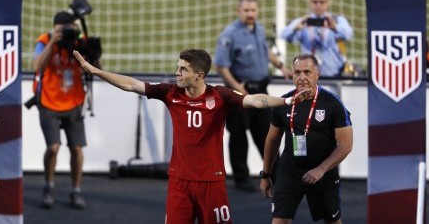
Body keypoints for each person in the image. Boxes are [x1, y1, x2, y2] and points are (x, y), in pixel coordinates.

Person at [73, 48, 311, 224]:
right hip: (179, 182)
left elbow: (257, 100)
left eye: (183, 69)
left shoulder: (221, 97)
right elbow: (130, 85)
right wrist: (95, 71)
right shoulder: (170, 93)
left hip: (211, 182)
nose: (177, 73)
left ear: (199, 75)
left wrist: (286, 100)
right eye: (178, 67)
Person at [260, 54, 353, 224]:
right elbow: (272, 140)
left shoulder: (333, 104)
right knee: (279, 221)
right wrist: (266, 175)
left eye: (307, 72)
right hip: (290, 171)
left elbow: (346, 145)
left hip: (323, 173)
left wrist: (321, 169)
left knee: (332, 221)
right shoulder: (284, 102)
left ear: (317, 74)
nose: (302, 77)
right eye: (297, 72)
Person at [214, 0, 291, 192]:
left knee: (268, 134)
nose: (250, 14)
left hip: (261, 91)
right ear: (238, 11)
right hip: (239, 94)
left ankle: (278, 176)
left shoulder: (259, 29)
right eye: (246, 10)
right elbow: (221, 66)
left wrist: (281, 66)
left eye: (253, 10)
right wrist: (237, 88)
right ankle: (241, 180)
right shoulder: (229, 35)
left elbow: (266, 51)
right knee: (238, 136)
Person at [33, 11, 88, 209]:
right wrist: (53, 43)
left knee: (77, 148)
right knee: (53, 147)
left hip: (73, 103)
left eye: (71, 28)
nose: (67, 32)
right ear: (56, 28)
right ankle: (48, 186)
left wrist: (89, 49)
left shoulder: (78, 42)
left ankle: (76, 190)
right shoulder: (45, 40)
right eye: (64, 28)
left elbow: (95, 66)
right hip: (48, 102)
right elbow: (37, 66)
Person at [281, 0, 354, 77]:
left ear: (328, 3)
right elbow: (284, 35)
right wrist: (295, 28)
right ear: (310, 2)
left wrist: (335, 27)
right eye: (315, 2)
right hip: (309, 78)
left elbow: (349, 34)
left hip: (333, 76)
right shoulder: (304, 21)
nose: (318, 5)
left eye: (322, 2)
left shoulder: (336, 20)